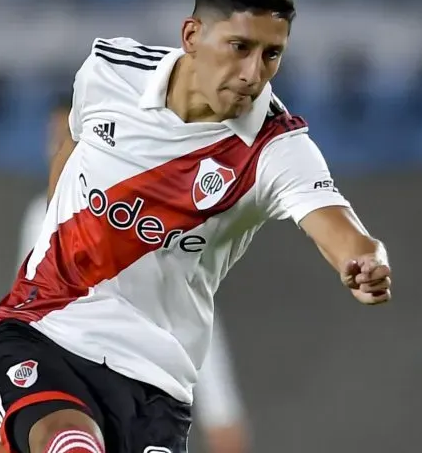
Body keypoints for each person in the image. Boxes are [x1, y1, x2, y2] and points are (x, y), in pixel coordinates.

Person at [0, 0, 392, 453]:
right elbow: (71, 146)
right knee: (72, 445)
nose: (253, 73)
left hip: (154, 388)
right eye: (240, 47)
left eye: (271, 55)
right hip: (49, 332)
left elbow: (340, 229)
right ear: (192, 35)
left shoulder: (275, 147)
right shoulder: (108, 71)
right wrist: (51, 244)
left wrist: (366, 260)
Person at [16, 99, 250, 453]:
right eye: (55, 138)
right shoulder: (41, 216)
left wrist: (220, 408)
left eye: (71, 137)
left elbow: (188, 312)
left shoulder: (147, 216)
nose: (60, 149)